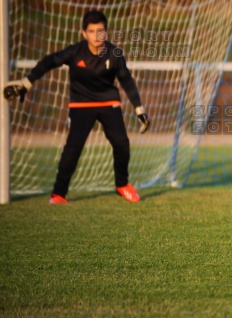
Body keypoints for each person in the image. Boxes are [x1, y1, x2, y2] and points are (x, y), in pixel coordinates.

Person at [3, 10, 150, 204]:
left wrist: (139, 109)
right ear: (84, 33)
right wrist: (27, 82)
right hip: (81, 103)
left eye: (100, 31)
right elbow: (49, 62)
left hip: (108, 101)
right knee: (73, 148)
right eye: (91, 31)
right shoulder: (75, 52)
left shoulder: (115, 54)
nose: (96, 35)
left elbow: (127, 82)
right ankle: (58, 194)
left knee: (122, 143)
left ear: (106, 32)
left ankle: (122, 185)